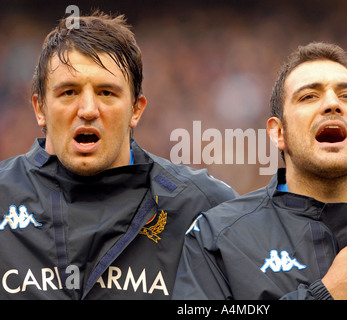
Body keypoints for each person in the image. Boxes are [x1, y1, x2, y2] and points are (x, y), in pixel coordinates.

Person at [173, 42, 347, 300]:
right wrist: (328, 295)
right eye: (309, 96)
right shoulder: (218, 237)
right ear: (279, 132)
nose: (332, 104)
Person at [0, 11, 238, 299]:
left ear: (136, 110)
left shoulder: (206, 209)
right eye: (69, 92)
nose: (88, 109)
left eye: (106, 93)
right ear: (40, 109)